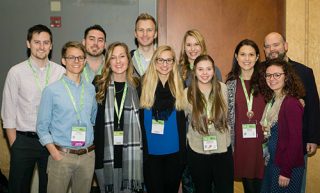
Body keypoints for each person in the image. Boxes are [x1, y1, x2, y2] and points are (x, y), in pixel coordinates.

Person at [1, 24, 65, 193]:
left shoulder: (61, 72)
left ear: (51, 45)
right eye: (37, 42)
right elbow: (8, 114)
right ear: (28, 44)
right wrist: (15, 145)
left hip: (52, 142)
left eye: (46, 42)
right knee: (18, 188)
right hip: (23, 141)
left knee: (50, 188)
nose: (41, 47)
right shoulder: (16, 72)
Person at [36, 41, 97, 193]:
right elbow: (42, 127)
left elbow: (93, 118)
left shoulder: (90, 89)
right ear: (63, 60)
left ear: (84, 61)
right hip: (62, 155)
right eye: (71, 57)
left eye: (80, 57)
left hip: (87, 156)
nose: (76, 61)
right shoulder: (51, 90)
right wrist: (54, 153)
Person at [263, 32, 320, 193]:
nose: (272, 49)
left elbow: (313, 106)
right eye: (267, 46)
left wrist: (313, 138)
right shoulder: (262, 72)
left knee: (292, 185)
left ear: (285, 46)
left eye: (276, 45)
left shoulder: (304, 72)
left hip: (296, 143)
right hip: (272, 148)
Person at [93, 42, 144, 193]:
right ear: (108, 61)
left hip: (131, 154)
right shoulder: (98, 84)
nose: (118, 61)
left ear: (128, 59)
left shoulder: (138, 85)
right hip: (105, 153)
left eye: (122, 56)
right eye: (113, 57)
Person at [139, 45, 186, 193]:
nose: (164, 64)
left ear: (173, 63)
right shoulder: (143, 84)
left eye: (168, 60)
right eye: (160, 60)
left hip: (175, 153)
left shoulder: (180, 85)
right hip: (151, 154)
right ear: (154, 61)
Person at [184, 54, 233, 193]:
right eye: (200, 69)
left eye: (208, 69)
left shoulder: (223, 89)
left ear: (214, 70)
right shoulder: (187, 93)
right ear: (194, 72)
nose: (205, 73)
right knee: (202, 189)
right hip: (198, 149)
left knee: (225, 189)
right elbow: (180, 121)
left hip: (222, 148)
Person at [260, 59, 305, 193]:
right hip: (273, 163)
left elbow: (295, 141)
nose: (272, 79)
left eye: (277, 75)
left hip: (286, 167)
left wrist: (286, 171)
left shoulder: (291, 103)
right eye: (268, 75)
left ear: (287, 77)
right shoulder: (273, 100)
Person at [226, 39, 265, 193]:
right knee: (249, 188)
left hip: (262, 145)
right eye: (243, 54)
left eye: (251, 54)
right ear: (236, 56)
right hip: (241, 145)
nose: (247, 59)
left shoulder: (267, 82)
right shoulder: (230, 84)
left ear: (257, 57)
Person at [131, 13, 157, 77]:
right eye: (141, 30)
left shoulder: (164, 59)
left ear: (155, 34)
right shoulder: (127, 59)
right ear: (135, 34)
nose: (145, 34)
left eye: (149, 30)